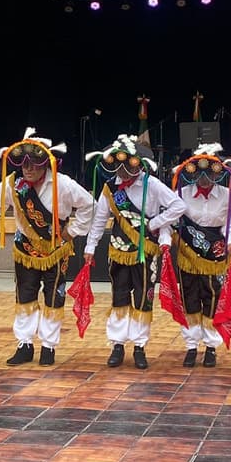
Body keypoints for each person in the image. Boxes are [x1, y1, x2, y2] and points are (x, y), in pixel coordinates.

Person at [0, 128, 94, 367]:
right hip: (25, 250)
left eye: (34, 165)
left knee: (54, 298)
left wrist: (72, 231)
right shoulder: (12, 185)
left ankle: (49, 346)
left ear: (46, 164)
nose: (28, 169)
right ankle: (25, 344)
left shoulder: (64, 184)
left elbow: (89, 206)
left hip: (55, 249)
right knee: (25, 296)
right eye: (24, 165)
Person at [83, 134, 187, 369]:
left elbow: (179, 206)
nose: (121, 172)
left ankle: (140, 346)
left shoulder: (152, 184)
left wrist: (154, 224)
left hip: (145, 250)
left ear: (138, 164)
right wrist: (90, 246)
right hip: (118, 250)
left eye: (125, 166)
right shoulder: (110, 188)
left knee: (143, 297)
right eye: (116, 167)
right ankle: (117, 345)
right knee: (119, 296)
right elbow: (100, 219)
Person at [168, 143, 231, 367]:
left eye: (210, 173)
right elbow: (170, 219)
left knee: (212, 297)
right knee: (189, 297)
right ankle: (191, 346)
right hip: (187, 253)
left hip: (215, 255)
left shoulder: (230, 195)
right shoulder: (179, 194)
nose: (204, 178)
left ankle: (211, 347)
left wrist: (229, 236)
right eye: (200, 173)